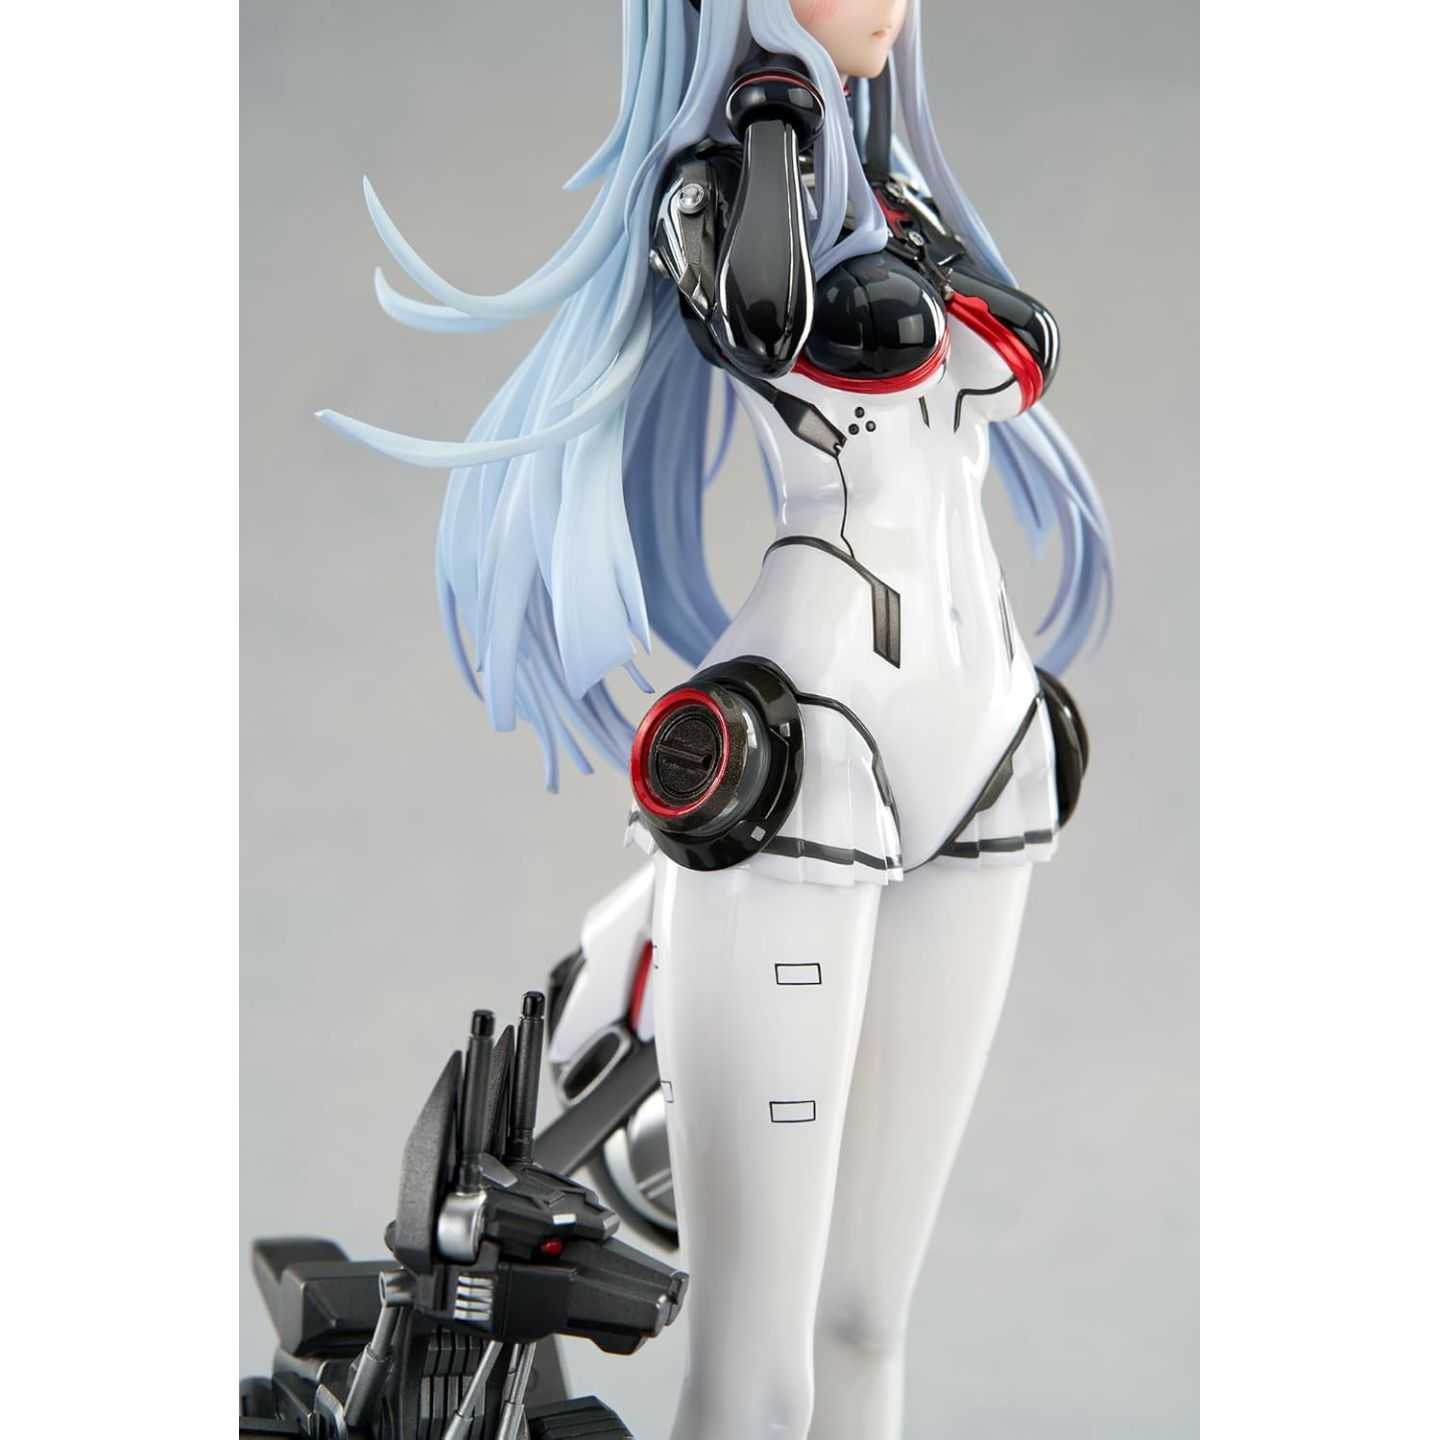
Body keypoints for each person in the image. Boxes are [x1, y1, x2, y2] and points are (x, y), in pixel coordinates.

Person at [321, 3, 1111, 1435]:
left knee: (867, 1320)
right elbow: (773, 318)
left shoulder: (905, 199)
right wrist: (771, 109)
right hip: (821, 739)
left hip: (986, 733)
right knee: (759, 1364)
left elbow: (994, 346)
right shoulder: (717, 191)